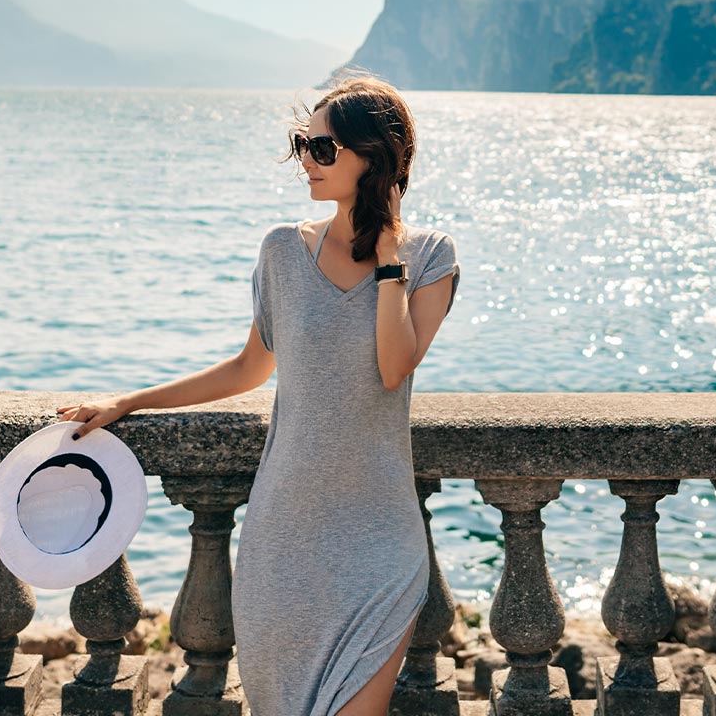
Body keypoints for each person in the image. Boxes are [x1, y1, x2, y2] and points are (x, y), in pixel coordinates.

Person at [56, 74, 460, 716]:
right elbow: (250, 367)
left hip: (379, 535)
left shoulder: (430, 257)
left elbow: (393, 370)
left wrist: (389, 269)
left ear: (374, 157)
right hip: (285, 534)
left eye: (322, 149)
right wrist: (130, 402)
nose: (306, 161)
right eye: (303, 143)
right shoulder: (281, 250)